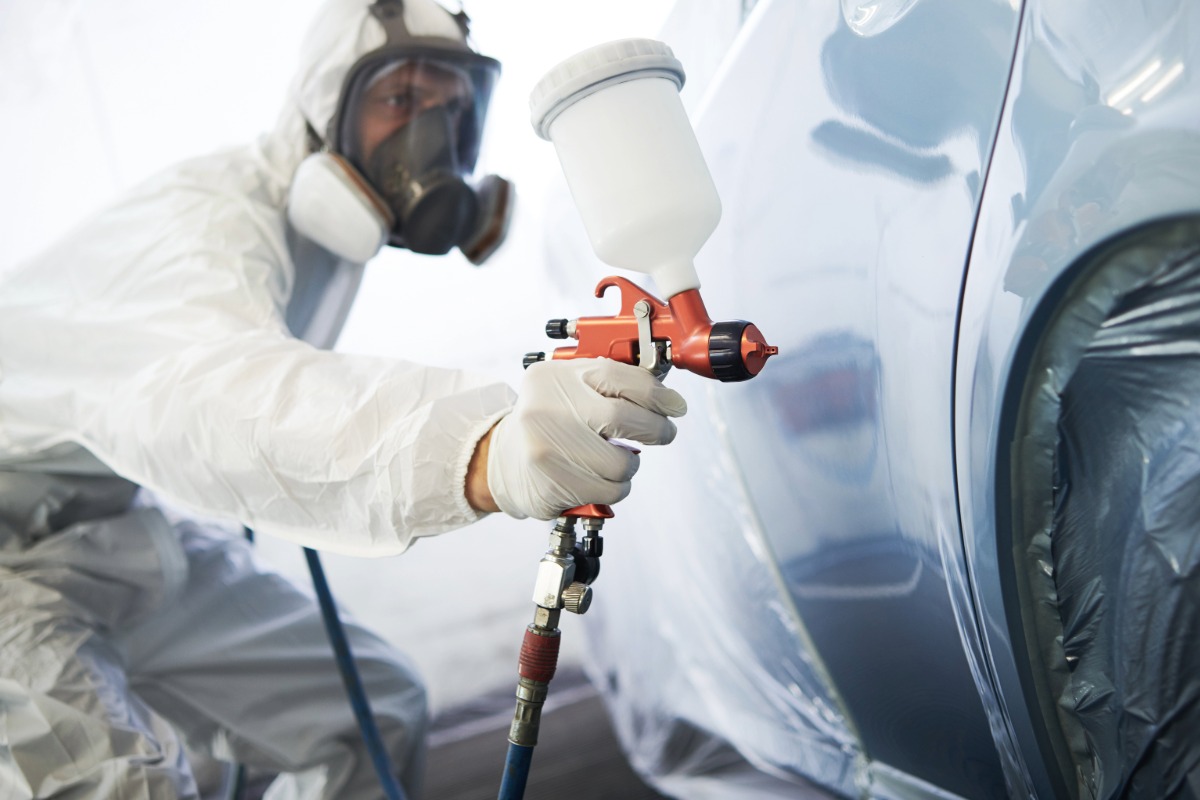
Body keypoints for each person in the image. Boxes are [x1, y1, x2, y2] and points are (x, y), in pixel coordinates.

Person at [0, 0, 687, 797]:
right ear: (322, 114)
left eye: (451, 109)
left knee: (375, 716)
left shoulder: (318, 238)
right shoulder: (206, 225)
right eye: (399, 101)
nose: (428, 140)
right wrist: (481, 447)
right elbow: (220, 398)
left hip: (105, 534)